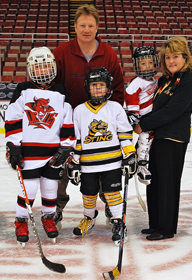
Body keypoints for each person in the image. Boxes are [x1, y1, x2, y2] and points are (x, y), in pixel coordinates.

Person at [53, 4, 124, 225]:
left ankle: (111, 209)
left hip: (99, 127)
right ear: (74, 27)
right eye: (82, 25)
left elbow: (119, 89)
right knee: (61, 168)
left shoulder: (108, 53)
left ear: (97, 27)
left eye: (90, 25)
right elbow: (53, 89)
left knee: (104, 166)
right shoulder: (61, 52)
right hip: (67, 125)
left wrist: (113, 119)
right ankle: (54, 207)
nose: (86, 29)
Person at [5, 47, 76, 245]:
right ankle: (21, 220)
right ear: (30, 69)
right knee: (28, 188)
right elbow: (12, 118)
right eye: (38, 67)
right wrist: (14, 144)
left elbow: (67, 120)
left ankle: (48, 218)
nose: (42, 71)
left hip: (52, 151)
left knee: (50, 187)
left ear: (53, 67)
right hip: (29, 152)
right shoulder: (23, 89)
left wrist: (66, 146)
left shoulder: (60, 90)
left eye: (46, 66)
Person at [134, 37, 192, 240]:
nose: (171, 61)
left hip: (173, 139)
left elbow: (171, 111)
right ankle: (155, 224)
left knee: (168, 183)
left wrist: (143, 124)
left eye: (175, 56)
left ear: (185, 58)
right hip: (157, 138)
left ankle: (166, 228)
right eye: (168, 57)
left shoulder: (188, 81)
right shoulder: (163, 81)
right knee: (155, 181)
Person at [67, 67, 136, 245]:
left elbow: (124, 134)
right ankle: (89, 218)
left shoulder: (115, 108)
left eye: (101, 85)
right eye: (93, 85)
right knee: (88, 194)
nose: (97, 89)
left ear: (108, 88)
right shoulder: (79, 110)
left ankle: (119, 222)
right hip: (88, 165)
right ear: (87, 88)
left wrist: (129, 155)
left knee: (112, 193)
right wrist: (74, 162)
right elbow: (78, 139)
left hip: (112, 163)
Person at [125, 46, 158, 185]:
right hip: (142, 118)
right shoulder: (137, 82)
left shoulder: (155, 80)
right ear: (137, 65)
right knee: (145, 138)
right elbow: (130, 96)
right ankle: (141, 166)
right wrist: (134, 115)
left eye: (150, 62)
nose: (147, 66)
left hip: (153, 118)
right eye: (143, 63)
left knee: (149, 141)